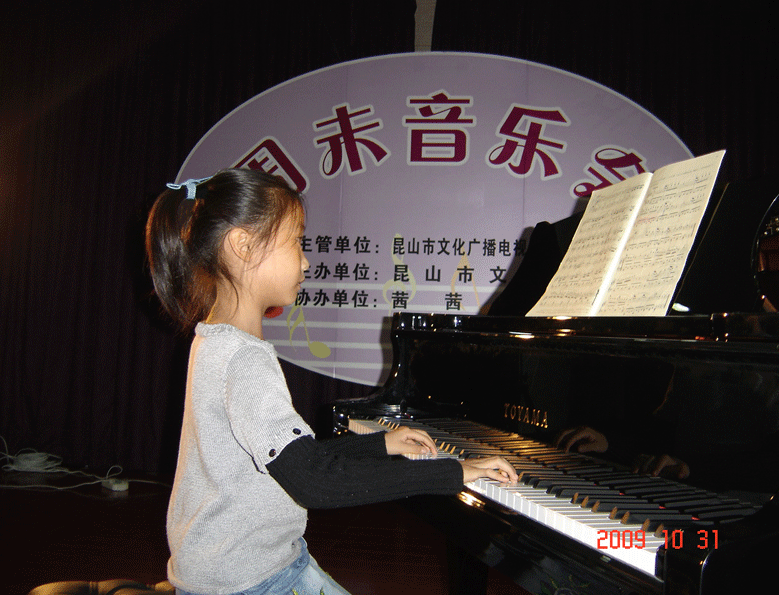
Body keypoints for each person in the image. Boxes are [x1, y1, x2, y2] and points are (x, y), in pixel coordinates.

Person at [145, 168, 518, 595]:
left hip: (246, 565)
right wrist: (452, 472)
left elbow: (291, 461)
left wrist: (381, 445)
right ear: (243, 245)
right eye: (297, 241)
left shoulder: (214, 340)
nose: (305, 261)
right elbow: (313, 480)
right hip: (251, 581)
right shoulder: (244, 359)